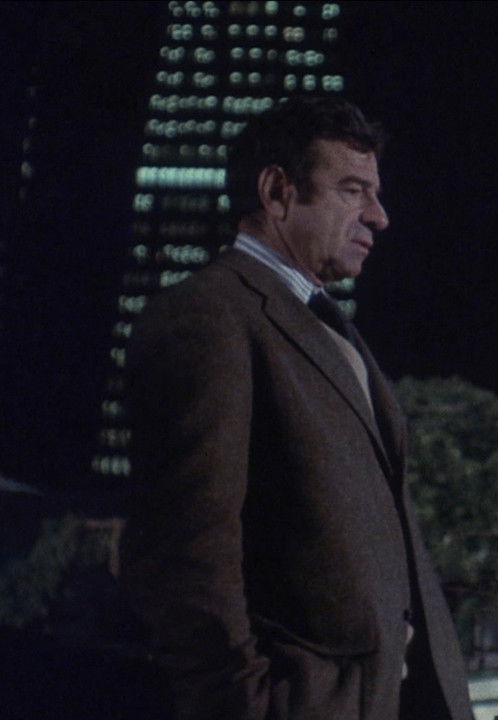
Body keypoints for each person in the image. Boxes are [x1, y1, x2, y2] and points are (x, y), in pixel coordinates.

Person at [121, 96, 473, 720]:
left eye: (375, 193)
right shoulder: (207, 317)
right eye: (352, 191)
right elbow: (188, 553)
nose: (379, 216)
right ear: (278, 192)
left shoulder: (321, 320)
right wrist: (246, 704)